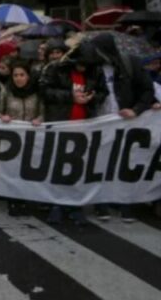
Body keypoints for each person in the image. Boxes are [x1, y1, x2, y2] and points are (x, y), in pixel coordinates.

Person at [40, 41, 107, 225]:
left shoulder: (96, 71)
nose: (83, 68)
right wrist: (70, 96)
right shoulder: (55, 68)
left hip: (84, 126)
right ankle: (56, 204)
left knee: (78, 168)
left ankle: (75, 206)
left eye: (87, 66)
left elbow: (103, 92)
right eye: (80, 64)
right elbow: (44, 91)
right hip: (61, 124)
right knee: (57, 166)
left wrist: (93, 98)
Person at [91, 33, 155, 223]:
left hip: (125, 124)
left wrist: (136, 110)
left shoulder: (130, 64)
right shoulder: (93, 68)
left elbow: (147, 90)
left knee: (124, 165)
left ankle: (125, 204)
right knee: (99, 164)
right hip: (100, 122)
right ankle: (101, 204)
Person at [0, 60, 43, 217]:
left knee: (28, 169)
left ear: (28, 76)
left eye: (22, 75)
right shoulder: (6, 92)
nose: (18, 78)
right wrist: (2, 117)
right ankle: (13, 201)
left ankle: (26, 200)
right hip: (12, 139)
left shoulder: (36, 93)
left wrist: (39, 119)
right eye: (15, 75)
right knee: (13, 170)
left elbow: (43, 112)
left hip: (32, 138)